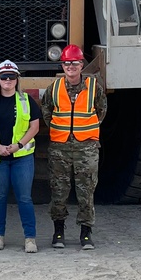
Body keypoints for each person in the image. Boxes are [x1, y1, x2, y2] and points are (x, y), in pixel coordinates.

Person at [40, 44, 108, 249]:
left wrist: (85, 131)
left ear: (81, 65)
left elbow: (101, 111)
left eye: (75, 63)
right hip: (60, 147)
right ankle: (58, 232)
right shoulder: (54, 88)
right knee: (58, 191)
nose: (71, 67)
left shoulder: (94, 88)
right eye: (67, 63)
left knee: (86, 191)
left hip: (86, 148)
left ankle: (86, 233)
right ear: (63, 65)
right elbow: (47, 113)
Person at [0, 59, 41, 253]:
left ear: (17, 79)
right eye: (4, 77)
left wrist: (18, 145)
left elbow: (35, 126)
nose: (8, 80)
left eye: (11, 77)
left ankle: (30, 238)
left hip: (22, 157)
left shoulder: (26, 100)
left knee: (24, 198)